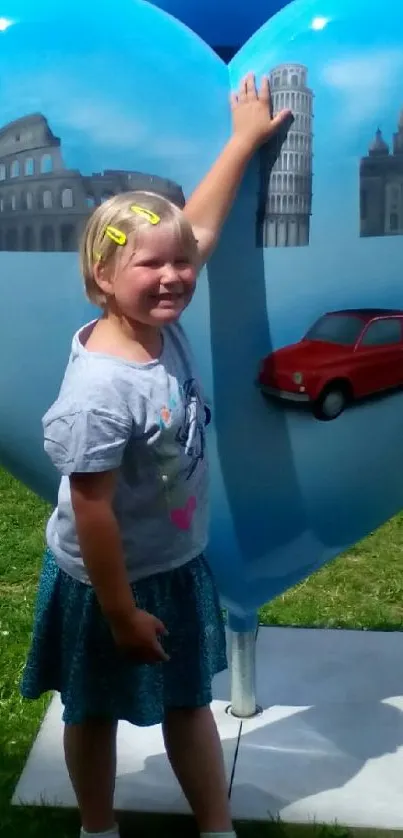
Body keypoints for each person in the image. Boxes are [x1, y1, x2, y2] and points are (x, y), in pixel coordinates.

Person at [21, 74, 291, 838]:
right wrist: (119, 612)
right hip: (104, 582)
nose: (175, 275)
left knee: (186, 704)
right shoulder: (102, 388)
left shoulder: (154, 319)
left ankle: (215, 825)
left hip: (171, 566)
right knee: (93, 709)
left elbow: (194, 230)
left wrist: (241, 141)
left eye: (180, 264)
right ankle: (97, 827)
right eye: (151, 266)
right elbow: (94, 507)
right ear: (101, 278)